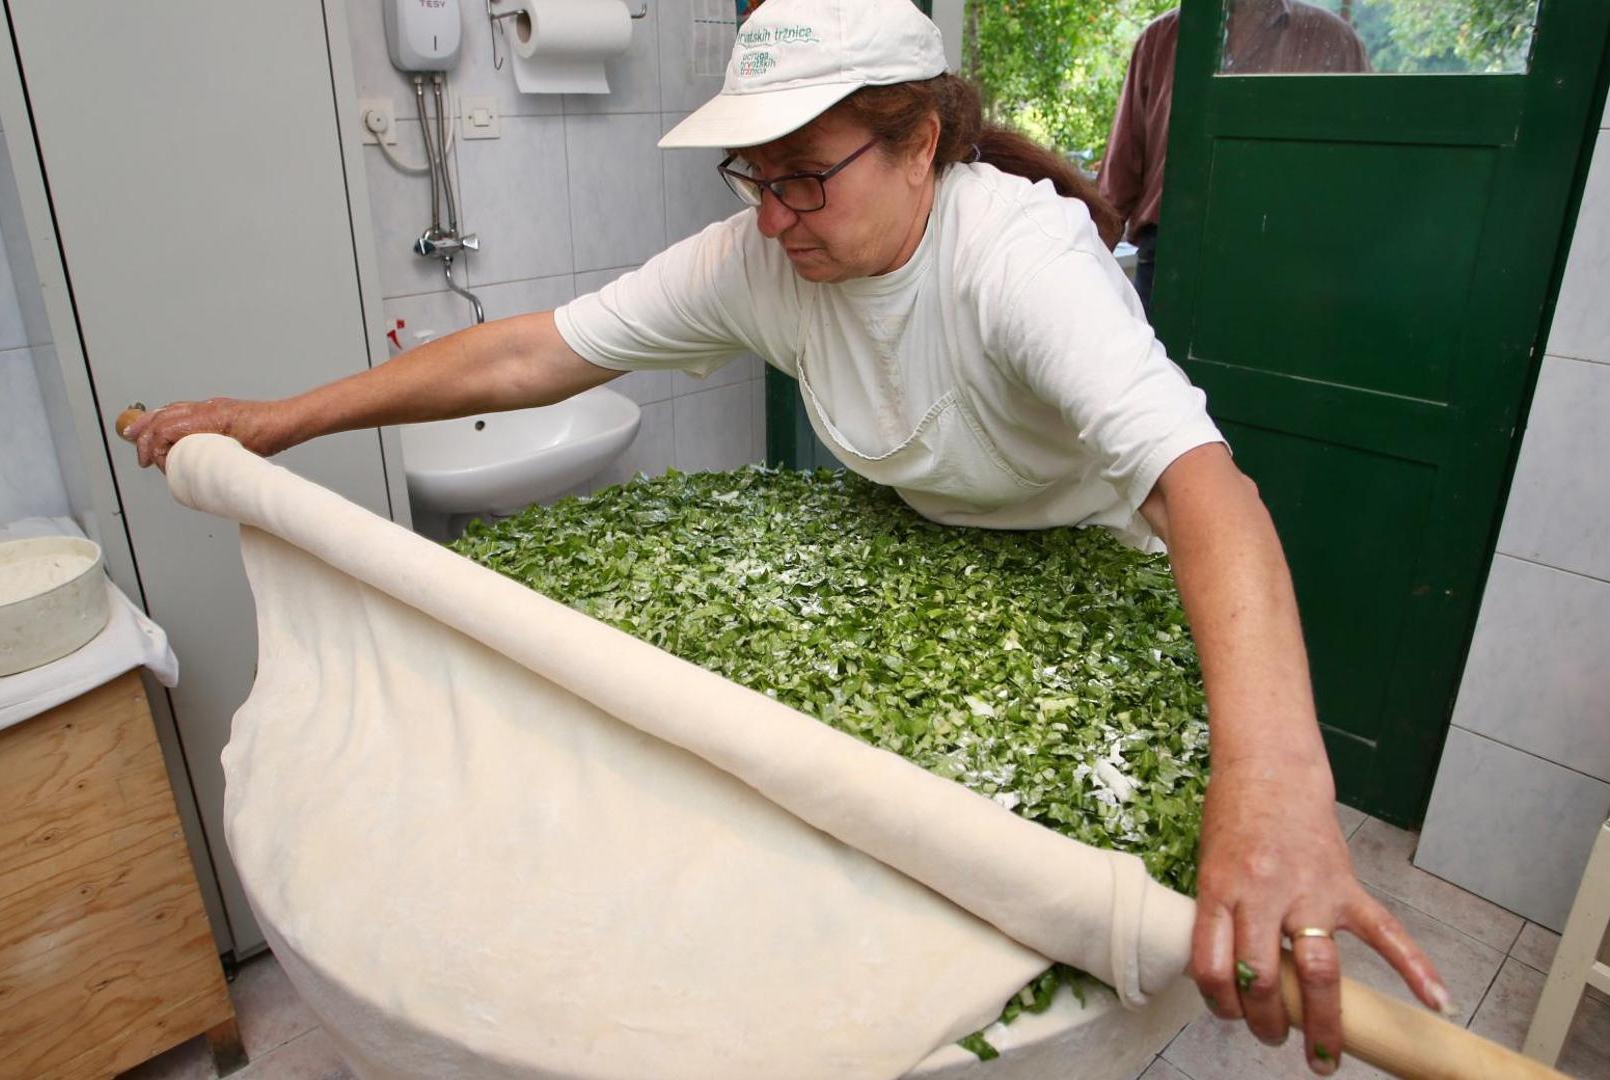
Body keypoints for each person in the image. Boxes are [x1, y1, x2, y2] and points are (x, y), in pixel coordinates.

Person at [127, 0, 1443, 1072]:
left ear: (921, 139)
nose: (770, 218)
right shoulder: (771, 259)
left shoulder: (1017, 264)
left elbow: (1212, 494)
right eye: (754, 177)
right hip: (908, 544)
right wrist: (280, 419)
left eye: (806, 177)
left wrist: (1275, 784)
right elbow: (533, 352)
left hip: (1082, 571)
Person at [1100, 0, 1369, 311]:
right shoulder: (1161, 38)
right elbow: (1118, 181)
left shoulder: (1331, 40)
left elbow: (1360, 173)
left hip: (1289, 263)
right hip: (1172, 261)